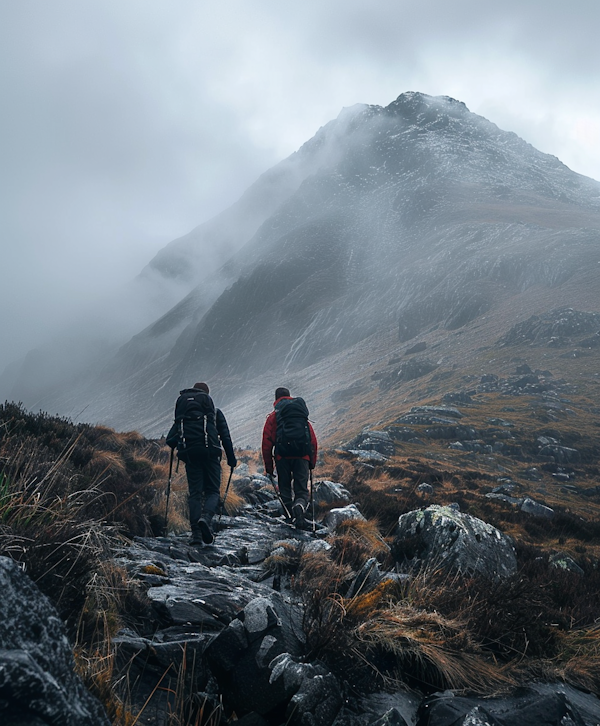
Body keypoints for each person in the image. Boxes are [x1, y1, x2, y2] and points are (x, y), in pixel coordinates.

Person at [166, 382, 236, 545]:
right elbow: (225, 437)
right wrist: (231, 459)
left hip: (190, 456)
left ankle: (196, 535)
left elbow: (170, 440)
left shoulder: (183, 414)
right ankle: (205, 519)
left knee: (195, 493)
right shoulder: (215, 413)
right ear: (207, 397)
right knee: (212, 491)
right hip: (210, 455)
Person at [261, 387, 317, 530]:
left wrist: (269, 467)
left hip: (282, 457)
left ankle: (289, 517)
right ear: (289, 396)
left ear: (276, 399)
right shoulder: (300, 415)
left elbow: (266, 444)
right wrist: (311, 462)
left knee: (285, 488)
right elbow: (312, 440)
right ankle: (299, 506)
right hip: (302, 456)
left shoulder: (274, 417)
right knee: (302, 490)